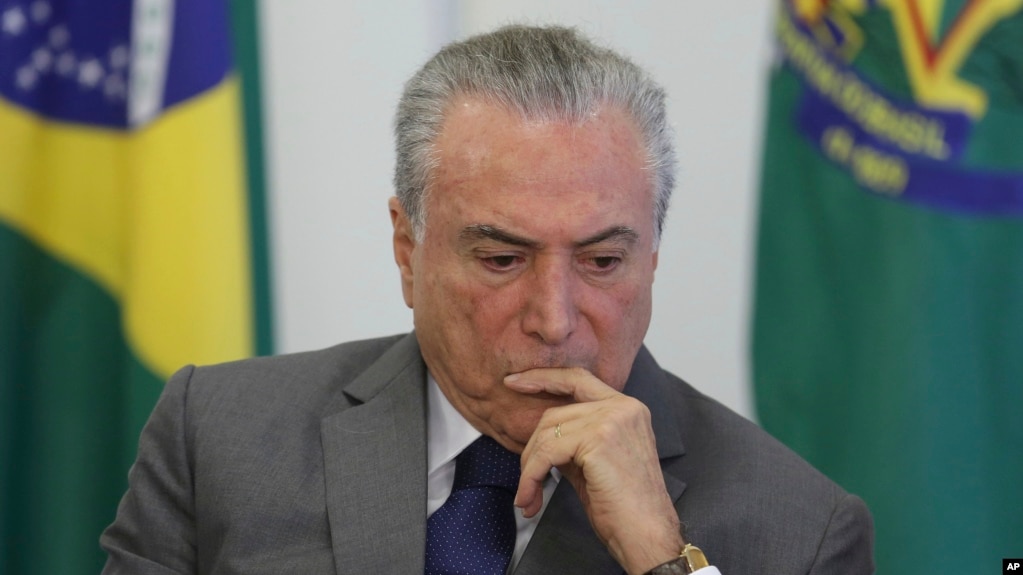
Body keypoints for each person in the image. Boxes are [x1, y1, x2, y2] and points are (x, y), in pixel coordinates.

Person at [100, 24, 874, 574]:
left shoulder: (799, 528)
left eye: (602, 260)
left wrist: (665, 561)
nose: (554, 318)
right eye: (503, 258)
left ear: (653, 256)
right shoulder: (219, 436)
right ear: (408, 249)